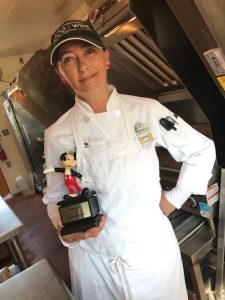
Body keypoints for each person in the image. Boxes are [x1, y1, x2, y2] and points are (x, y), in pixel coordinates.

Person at [43, 19, 216, 300]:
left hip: (153, 259)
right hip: (95, 266)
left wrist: (174, 198)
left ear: (106, 57)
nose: (82, 66)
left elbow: (202, 149)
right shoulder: (56, 135)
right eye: (68, 59)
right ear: (62, 74)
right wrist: (66, 233)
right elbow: (55, 198)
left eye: (89, 52)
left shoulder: (146, 111)